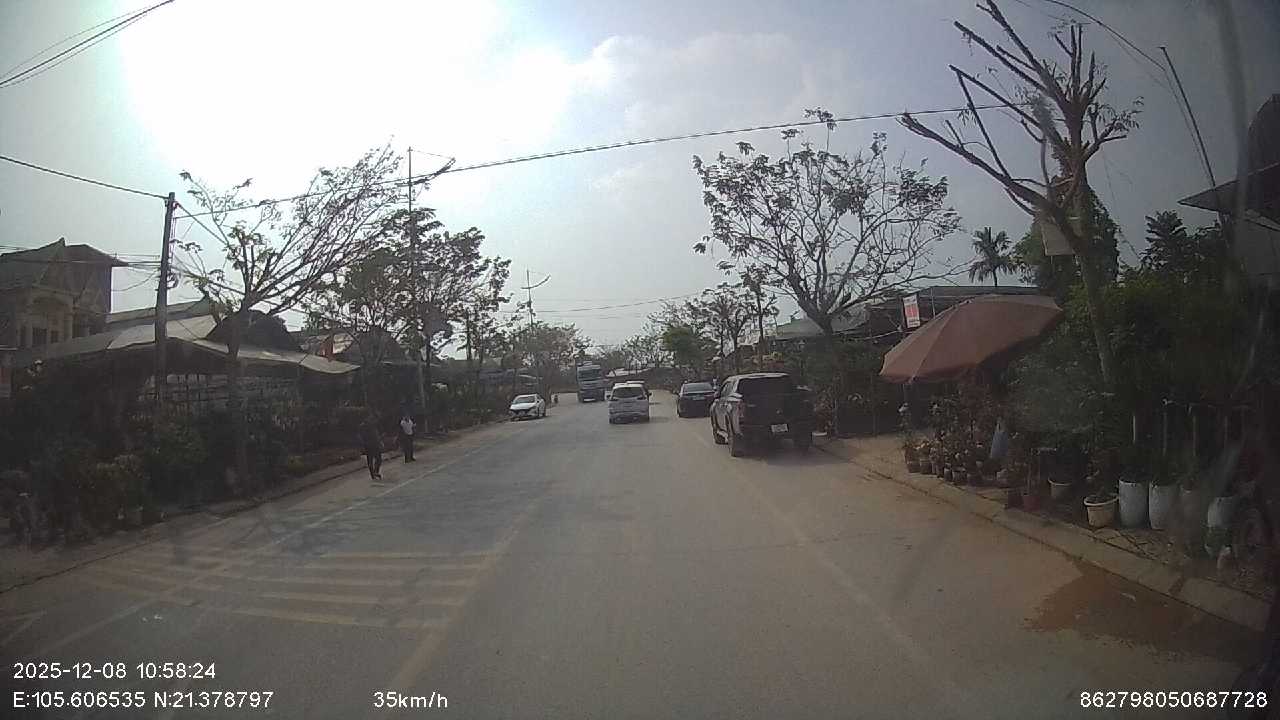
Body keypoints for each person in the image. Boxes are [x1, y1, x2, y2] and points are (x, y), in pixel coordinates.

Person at [359, 416, 383, 481]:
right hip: (370, 445)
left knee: (378, 459)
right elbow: (362, 437)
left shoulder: (372, 425)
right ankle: (373, 473)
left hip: (373, 445)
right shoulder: (364, 427)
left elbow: (376, 434)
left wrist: (379, 441)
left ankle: (375, 472)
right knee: (371, 460)